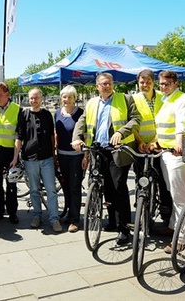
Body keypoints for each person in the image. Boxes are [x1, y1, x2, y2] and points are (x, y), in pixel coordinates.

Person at [72, 72, 140, 245]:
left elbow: (136, 119)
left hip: (118, 150)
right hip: (98, 150)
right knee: (105, 188)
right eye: (103, 84)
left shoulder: (125, 99)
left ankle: (124, 228)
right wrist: (77, 137)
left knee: (118, 187)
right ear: (97, 86)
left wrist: (120, 132)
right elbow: (82, 120)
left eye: (109, 83)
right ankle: (112, 221)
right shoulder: (92, 103)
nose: (107, 86)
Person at [147, 70, 185, 254]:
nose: (162, 87)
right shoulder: (165, 100)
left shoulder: (183, 99)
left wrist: (179, 145)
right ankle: (174, 226)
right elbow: (163, 126)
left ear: (175, 84)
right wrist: (156, 143)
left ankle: (182, 239)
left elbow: (181, 124)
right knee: (172, 193)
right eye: (160, 84)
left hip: (176, 154)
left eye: (166, 84)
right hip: (165, 152)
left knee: (180, 196)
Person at [13, 88, 61, 232]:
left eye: (36, 98)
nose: (34, 101)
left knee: (51, 189)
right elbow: (19, 137)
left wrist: (54, 155)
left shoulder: (47, 114)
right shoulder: (24, 114)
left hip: (46, 158)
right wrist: (15, 157)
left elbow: (52, 137)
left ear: (41, 99)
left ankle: (54, 218)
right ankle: (37, 215)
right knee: (34, 190)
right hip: (30, 159)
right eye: (31, 98)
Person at [131, 69, 172, 227]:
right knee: (141, 180)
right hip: (141, 147)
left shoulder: (164, 98)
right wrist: (140, 141)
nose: (144, 85)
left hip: (161, 145)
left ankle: (166, 215)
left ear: (153, 82)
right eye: (142, 82)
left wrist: (156, 141)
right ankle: (142, 211)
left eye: (148, 82)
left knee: (164, 182)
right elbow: (132, 123)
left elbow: (167, 121)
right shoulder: (133, 99)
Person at [0, 82, 21, 224]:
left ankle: (12, 212)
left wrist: (16, 156)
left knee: (11, 183)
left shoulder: (17, 109)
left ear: (7, 95)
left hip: (9, 152)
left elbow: (20, 134)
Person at [54, 85, 85, 233]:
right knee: (65, 187)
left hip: (76, 157)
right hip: (62, 155)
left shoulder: (80, 113)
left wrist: (87, 156)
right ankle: (68, 213)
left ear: (75, 98)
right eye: (64, 97)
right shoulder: (57, 113)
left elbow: (86, 135)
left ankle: (74, 220)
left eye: (70, 97)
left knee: (75, 186)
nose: (66, 100)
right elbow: (56, 134)